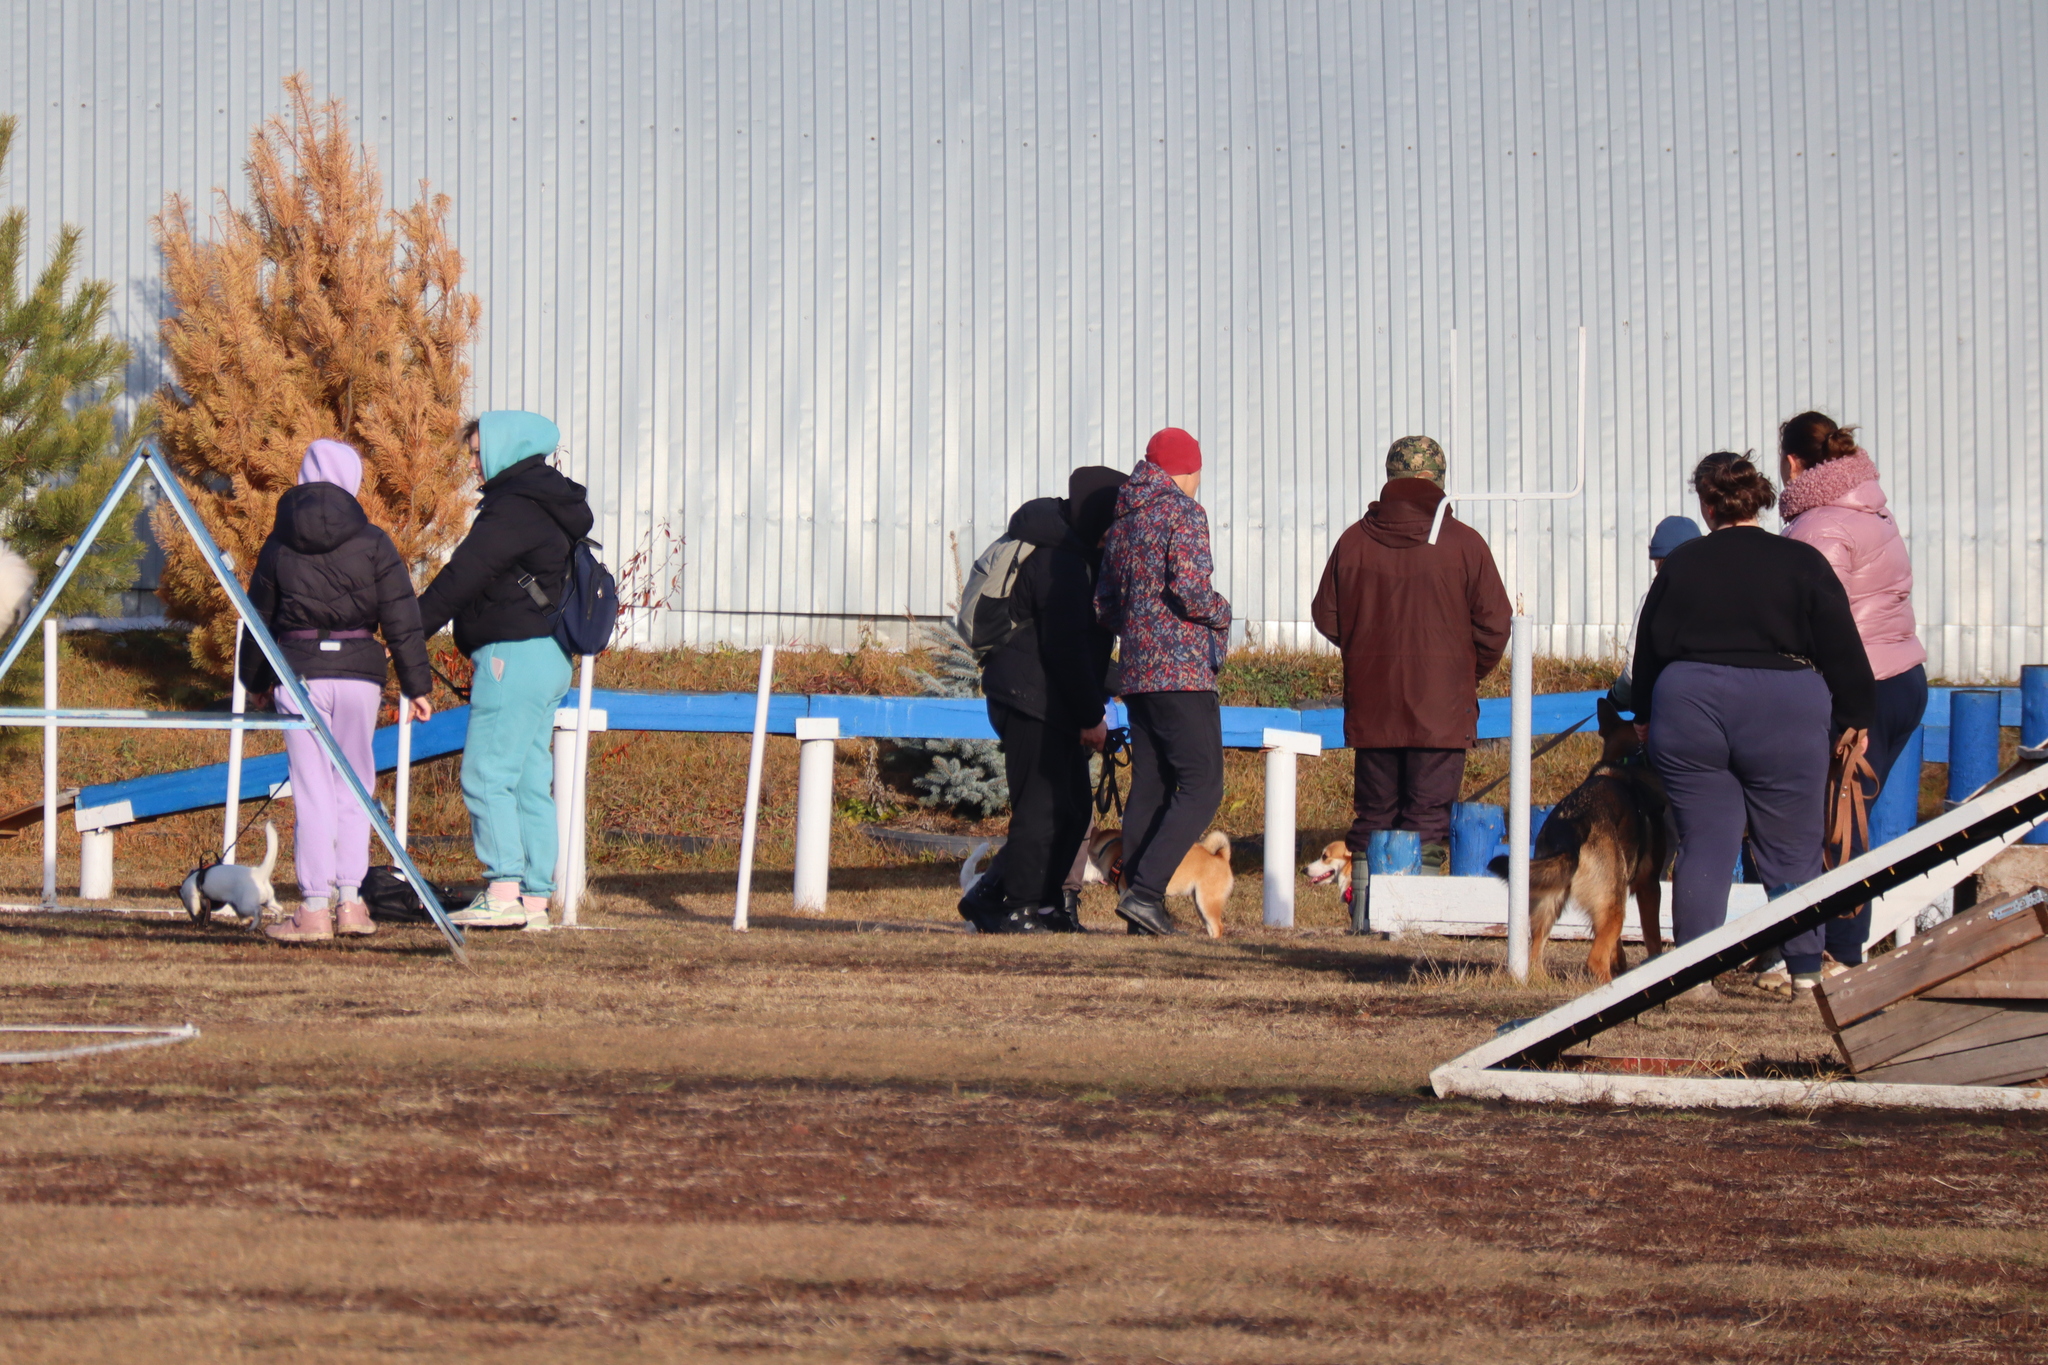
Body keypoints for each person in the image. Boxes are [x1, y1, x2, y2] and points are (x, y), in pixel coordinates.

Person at [1631, 452, 1876, 996]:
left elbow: (1648, 648)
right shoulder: (1801, 561)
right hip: (1783, 704)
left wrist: (1645, 716)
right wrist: (1856, 714)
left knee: (1706, 840)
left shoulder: (1684, 564)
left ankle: (1693, 978)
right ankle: (1806, 974)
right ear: (1757, 500)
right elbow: (1841, 642)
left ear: (1707, 504)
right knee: (1792, 844)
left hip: (1689, 703)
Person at [243, 439, 434, 944]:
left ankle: (312, 910)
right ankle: (351, 904)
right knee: (355, 786)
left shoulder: (279, 542)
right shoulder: (375, 542)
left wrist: (256, 681)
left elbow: (257, 617)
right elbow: (401, 616)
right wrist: (417, 685)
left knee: (311, 790)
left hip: (300, 672)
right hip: (359, 677)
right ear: (352, 481)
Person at [1768, 412, 1928, 988]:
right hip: (1902, 674)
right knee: (1850, 815)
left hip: (1859, 685)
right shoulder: (1871, 507)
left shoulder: (1820, 526)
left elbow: (1816, 618)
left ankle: (1840, 952)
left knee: (1837, 820)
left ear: (1792, 463)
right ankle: (1836, 945)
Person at [417, 412, 594, 932]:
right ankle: (536, 899)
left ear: (505, 449)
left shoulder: (512, 509)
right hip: (550, 657)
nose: (472, 463)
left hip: (511, 656)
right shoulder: (550, 503)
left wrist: (403, 633)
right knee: (528, 781)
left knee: (486, 773)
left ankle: (502, 890)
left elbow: (459, 580)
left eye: (476, 451)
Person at [1310, 436, 1511, 877]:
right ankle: (1409, 923)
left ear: (1390, 479)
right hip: (1440, 713)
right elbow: (1496, 625)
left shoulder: (1352, 543)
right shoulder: (1465, 544)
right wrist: (1459, 674)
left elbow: (1326, 615)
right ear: (1438, 481)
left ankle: (1365, 917)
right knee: (1427, 819)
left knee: (1373, 817)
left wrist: (1369, 654)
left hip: (1373, 705)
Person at [965, 466, 1126, 934]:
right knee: (1043, 807)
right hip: (1030, 698)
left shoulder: (1074, 554)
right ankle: (1019, 905)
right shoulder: (1059, 561)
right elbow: (1066, 648)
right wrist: (1092, 716)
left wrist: (1117, 682)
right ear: (1100, 520)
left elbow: (1080, 651)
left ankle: (1020, 899)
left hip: (1042, 696)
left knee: (1073, 806)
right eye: (1117, 523)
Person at [1094, 428, 1230, 936]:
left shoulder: (1125, 519)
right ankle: (1147, 893)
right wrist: (1222, 611)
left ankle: (1135, 898)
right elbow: (1193, 592)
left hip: (1137, 674)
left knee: (1151, 784)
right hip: (1182, 674)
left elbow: (1102, 605)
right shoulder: (1184, 513)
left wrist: (1141, 628)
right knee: (1202, 784)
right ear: (1189, 471)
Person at [1608, 515, 1702, 714]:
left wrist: (1616, 696)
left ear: (1660, 561)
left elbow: (1635, 670)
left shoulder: (1653, 598)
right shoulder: (1720, 595)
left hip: (1666, 710)